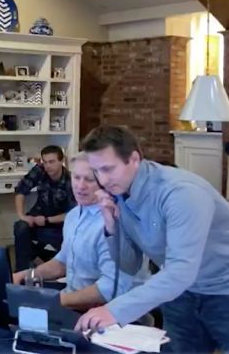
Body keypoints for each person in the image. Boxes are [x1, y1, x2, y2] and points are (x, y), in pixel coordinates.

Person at [75, 125, 229, 353]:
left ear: (134, 159)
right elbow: (129, 264)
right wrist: (112, 227)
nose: (102, 180)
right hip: (180, 293)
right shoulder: (119, 192)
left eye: (108, 169)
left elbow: (181, 270)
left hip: (222, 289)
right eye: (97, 171)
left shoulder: (181, 193)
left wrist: (114, 310)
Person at [13, 152, 136, 311]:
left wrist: (55, 301)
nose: (80, 186)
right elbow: (63, 263)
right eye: (76, 178)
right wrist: (25, 275)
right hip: (71, 300)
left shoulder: (113, 221)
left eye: (89, 180)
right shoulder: (73, 215)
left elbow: (110, 288)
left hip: (103, 313)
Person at [12, 145, 75, 272]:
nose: (48, 166)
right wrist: (22, 216)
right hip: (38, 215)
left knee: (68, 240)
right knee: (20, 227)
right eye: (45, 162)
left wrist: (47, 220)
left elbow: (73, 213)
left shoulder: (70, 180)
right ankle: (22, 272)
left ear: (61, 161)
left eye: (52, 162)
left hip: (58, 223)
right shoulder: (40, 170)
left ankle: (47, 263)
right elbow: (20, 190)